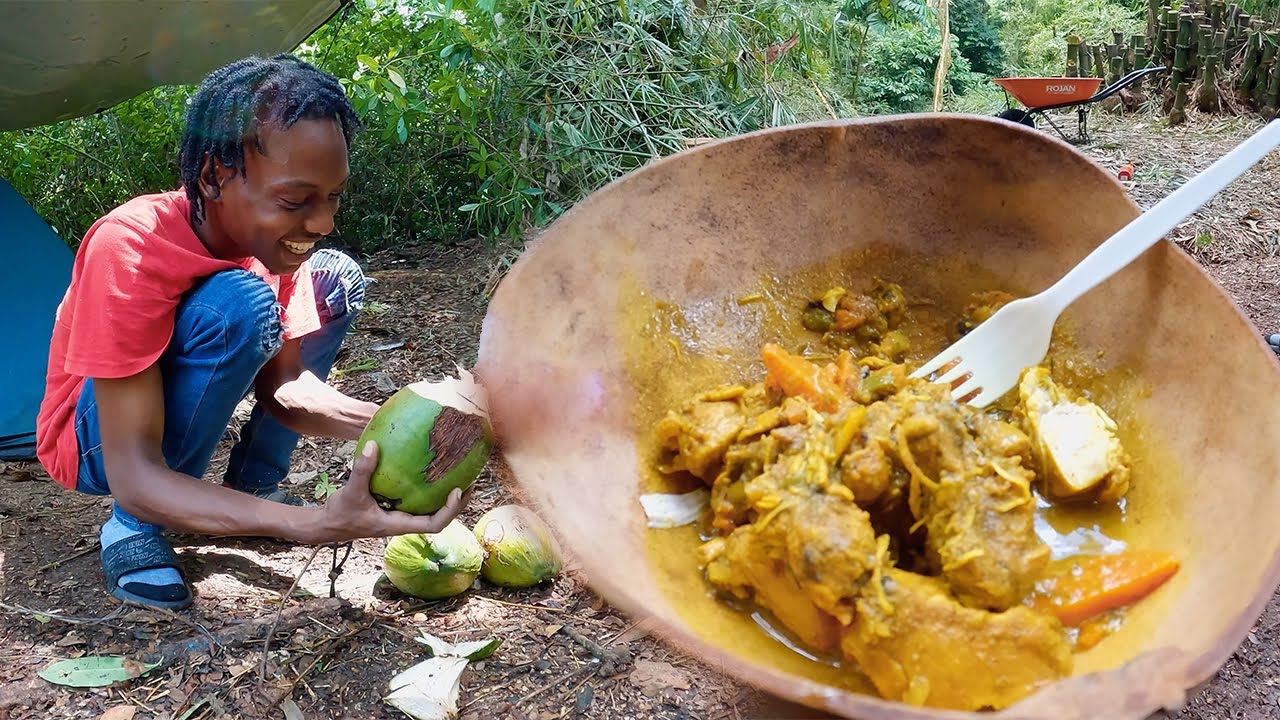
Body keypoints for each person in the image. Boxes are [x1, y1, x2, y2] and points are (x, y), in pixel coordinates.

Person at [33, 54, 470, 610]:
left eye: (332, 196)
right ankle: (135, 529)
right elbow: (134, 470)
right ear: (215, 177)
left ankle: (252, 485)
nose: (322, 222)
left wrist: (426, 427)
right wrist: (308, 524)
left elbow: (286, 392)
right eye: (295, 200)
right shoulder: (132, 245)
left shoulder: (272, 250)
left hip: (173, 395)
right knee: (235, 306)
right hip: (97, 440)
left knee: (335, 275)